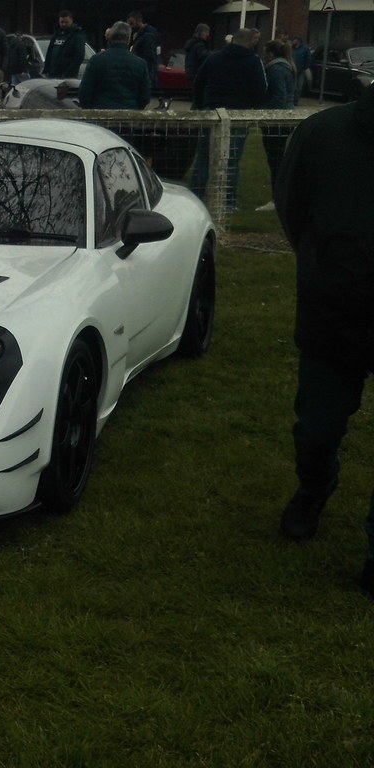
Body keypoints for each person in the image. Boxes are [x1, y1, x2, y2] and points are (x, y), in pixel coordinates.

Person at [273, 83, 374, 598]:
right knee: (317, 425)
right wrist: (325, 266)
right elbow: (293, 208)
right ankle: (314, 489)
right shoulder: (324, 132)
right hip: (335, 309)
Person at [188, 27, 266, 212]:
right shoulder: (252, 61)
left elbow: (198, 83)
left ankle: (196, 199)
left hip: (212, 111)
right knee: (232, 159)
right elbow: (260, 90)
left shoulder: (214, 58)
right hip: (238, 114)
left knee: (204, 158)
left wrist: (201, 105)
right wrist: (251, 106)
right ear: (249, 42)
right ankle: (228, 202)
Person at [256, 39, 296, 212]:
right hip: (284, 117)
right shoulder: (286, 66)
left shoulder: (276, 69)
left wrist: (263, 110)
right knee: (278, 160)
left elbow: (278, 96)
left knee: (276, 161)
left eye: (265, 52)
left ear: (271, 53)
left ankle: (277, 199)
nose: (263, 56)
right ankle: (282, 197)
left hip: (276, 120)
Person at [77, 21, 150, 110]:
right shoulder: (140, 64)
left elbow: (84, 93)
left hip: (100, 112)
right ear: (129, 39)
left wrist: (91, 109)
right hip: (130, 113)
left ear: (110, 38)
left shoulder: (96, 60)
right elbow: (145, 96)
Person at [44, 10, 86, 79]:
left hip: (67, 76)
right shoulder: (57, 34)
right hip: (53, 74)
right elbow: (49, 52)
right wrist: (46, 69)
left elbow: (79, 56)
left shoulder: (77, 35)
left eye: (66, 22)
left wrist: (68, 73)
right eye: (61, 22)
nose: (63, 24)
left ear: (71, 20)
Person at [127, 10, 159, 91]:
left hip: (145, 74)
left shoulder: (147, 36)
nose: (130, 27)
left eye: (132, 24)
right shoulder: (140, 35)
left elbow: (149, 57)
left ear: (139, 21)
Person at [291, 36, 313, 101]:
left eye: (294, 40)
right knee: (293, 86)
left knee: (299, 86)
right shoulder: (292, 48)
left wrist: (305, 67)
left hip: (301, 70)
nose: (293, 41)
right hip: (293, 70)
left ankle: (296, 100)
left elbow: (308, 58)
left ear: (297, 40)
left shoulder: (305, 48)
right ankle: (292, 100)